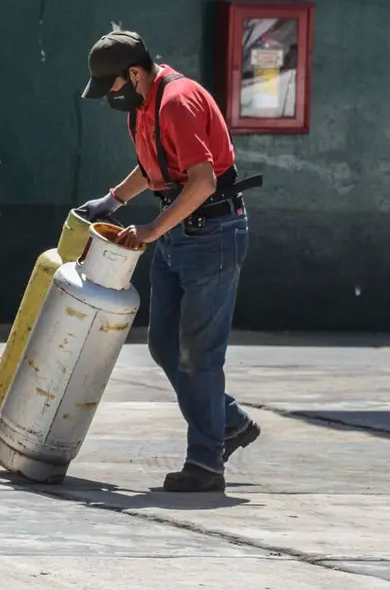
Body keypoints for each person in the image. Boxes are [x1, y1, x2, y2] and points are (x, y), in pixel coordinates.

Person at [76, 30, 263, 493]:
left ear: (134, 73)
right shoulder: (146, 104)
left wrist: (151, 231)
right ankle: (230, 422)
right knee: (163, 345)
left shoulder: (177, 101)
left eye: (113, 87)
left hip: (212, 235)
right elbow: (154, 166)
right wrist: (112, 201)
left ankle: (205, 465)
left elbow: (201, 181)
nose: (111, 97)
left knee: (200, 355)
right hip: (178, 233)